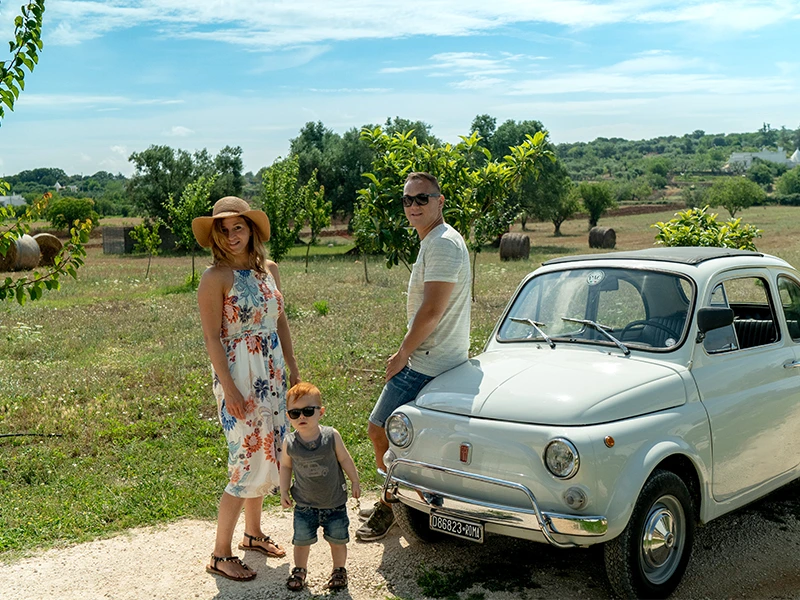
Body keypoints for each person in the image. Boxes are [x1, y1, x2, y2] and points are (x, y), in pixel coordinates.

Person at [356, 172, 471, 541]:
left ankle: (392, 505)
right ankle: (406, 500)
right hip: (438, 356)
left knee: (379, 430)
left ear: (440, 201)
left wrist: (402, 354)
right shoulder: (437, 240)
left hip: (427, 361)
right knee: (413, 437)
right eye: (407, 200)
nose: (414, 206)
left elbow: (432, 311)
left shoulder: (442, 244)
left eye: (423, 198)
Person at [193, 196, 300, 582]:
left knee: (268, 452)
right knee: (244, 460)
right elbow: (211, 339)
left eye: (237, 227)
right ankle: (220, 554)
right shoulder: (214, 278)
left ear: (251, 229)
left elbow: (280, 321)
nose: (231, 235)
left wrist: (293, 367)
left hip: (271, 374)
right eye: (223, 230)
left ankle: (252, 535)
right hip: (238, 376)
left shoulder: (269, 269)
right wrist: (231, 391)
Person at [280, 382, 361, 591]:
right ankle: (299, 569)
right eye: (294, 413)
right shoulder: (289, 442)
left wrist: (355, 480)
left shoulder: (331, 436)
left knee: (338, 540)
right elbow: (286, 467)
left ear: (321, 412)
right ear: (288, 415)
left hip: (334, 503)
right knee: (301, 541)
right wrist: (283, 490)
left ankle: (339, 570)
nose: (301, 417)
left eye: (308, 411)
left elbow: (345, 459)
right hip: (304, 505)